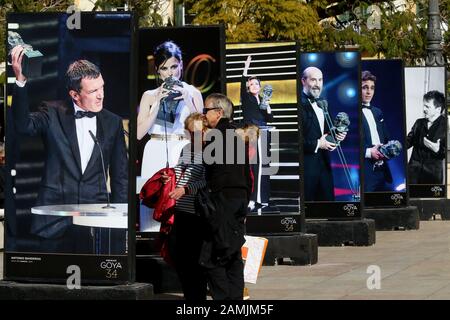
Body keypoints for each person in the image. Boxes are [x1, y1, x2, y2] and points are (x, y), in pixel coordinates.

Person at [10, 45, 128, 253]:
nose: (101, 95)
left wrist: (121, 220)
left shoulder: (113, 122)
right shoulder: (52, 112)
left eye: (102, 87)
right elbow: (23, 126)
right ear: (75, 94)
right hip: (55, 219)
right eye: (93, 91)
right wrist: (20, 81)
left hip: (96, 220)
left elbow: (120, 176)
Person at [136, 40, 203, 232]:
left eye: (174, 66)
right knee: (153, 197)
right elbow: (140, 134)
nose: (170, 73)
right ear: (157, 70)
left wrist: (188, 101)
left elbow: (201, 133)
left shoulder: (193, 92)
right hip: (154, 149)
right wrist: (157, 104)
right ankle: (150, 242)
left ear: (181, 65)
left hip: (182, 150)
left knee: (179, 201)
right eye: (165, 68)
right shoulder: (149, 95)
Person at [201, 93, 252, 300]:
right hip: (239, 200)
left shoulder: (215, 135)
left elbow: (208, 167)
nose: (204, 115)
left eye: (206, 111)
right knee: (233, 255)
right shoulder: (238, 135)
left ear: (219, 112)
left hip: (223, 201)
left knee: (214, 256)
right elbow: (246, 172)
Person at [301, 67, 346, 202]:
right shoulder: (299, 105)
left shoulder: (323, 104)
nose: (317, 84)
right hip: (306, 168)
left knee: (328, 206)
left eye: (320, 80)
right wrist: (318, 144)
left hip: (324, 166)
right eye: (313, 79)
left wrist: (337, 137)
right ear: (303, 81)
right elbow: (295, 140)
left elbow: (328, 132)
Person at [241, 55, 275, 213]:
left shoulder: (263, 100)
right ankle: (252, 199)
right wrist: (246, 68)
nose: (254, 85)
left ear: (260, 87)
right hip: (252, 134)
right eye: (251, 83)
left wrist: (267, 106)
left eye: (256, 83)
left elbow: (270, 118)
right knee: (253, 166)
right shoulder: (246, 98)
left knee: (264, 166)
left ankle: (263, 199)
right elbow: (243, 82)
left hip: (264, 134)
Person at [361, 70, 393, 192]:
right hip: (365, 172)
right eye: (365, 88)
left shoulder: (378, 112)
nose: (369, 92)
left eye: (372, 88)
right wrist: (369, 152)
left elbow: (386, 138)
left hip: (383, 170)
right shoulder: (353, 112)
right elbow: (348, 144)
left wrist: (388, 149)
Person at [406, 90, 446, 184]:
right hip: (413, 174)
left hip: (432, 176)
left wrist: (438, 150)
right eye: (424, 105)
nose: (424, 109)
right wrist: (397, 145)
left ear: (438, 109)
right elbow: (408, 141)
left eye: (427, 106)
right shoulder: (419, 123)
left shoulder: (446, 125)